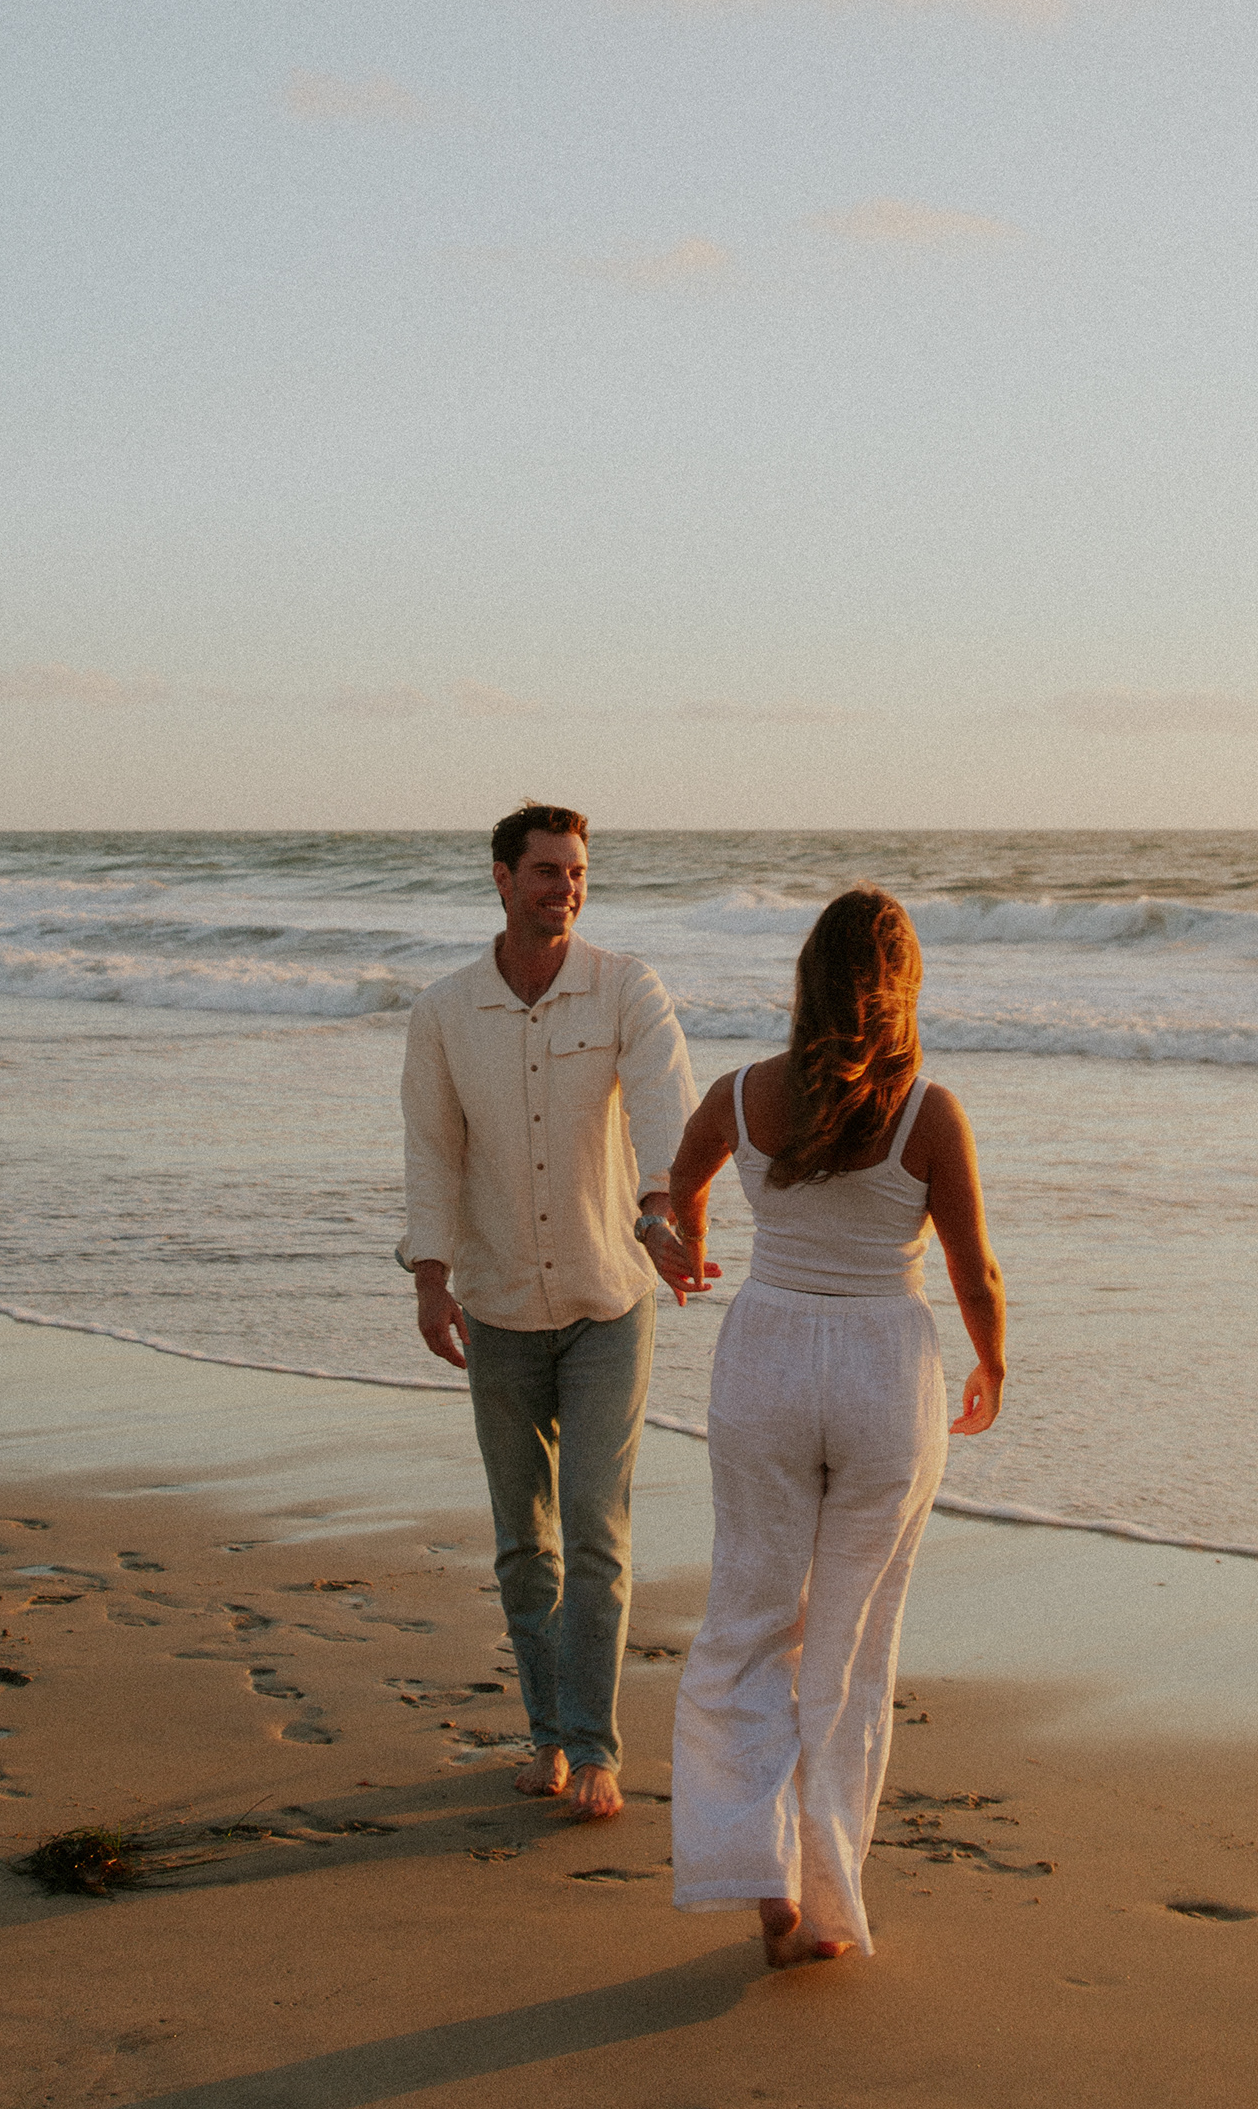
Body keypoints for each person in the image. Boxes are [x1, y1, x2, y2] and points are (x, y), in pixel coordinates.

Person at [661, 885, 1005, 1965]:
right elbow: (974, 1270)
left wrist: (693, 1243)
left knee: (749, 1613)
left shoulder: (743, 1093)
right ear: (904, 987)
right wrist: (993, 1361)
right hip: (882, 1370)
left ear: (807, 980)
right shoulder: (928, 1113)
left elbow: (681, 1181)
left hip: (766, 1354)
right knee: (851, 1645)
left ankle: (752, 1869)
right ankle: (826, 1900)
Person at [400, 801, 712, 1821]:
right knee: (522, 1542)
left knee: (594, 1530)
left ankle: (594, 1746)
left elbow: (665, 1102)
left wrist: (661, 1210)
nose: (566, 889)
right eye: (547, 872)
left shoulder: (626, 987)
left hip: (607, 1297)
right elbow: (431, 1152)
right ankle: (546, 1736)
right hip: (496, 1305)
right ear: (502, 878)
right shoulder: (445, 1012)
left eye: (577, 872)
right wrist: (431, 1277)